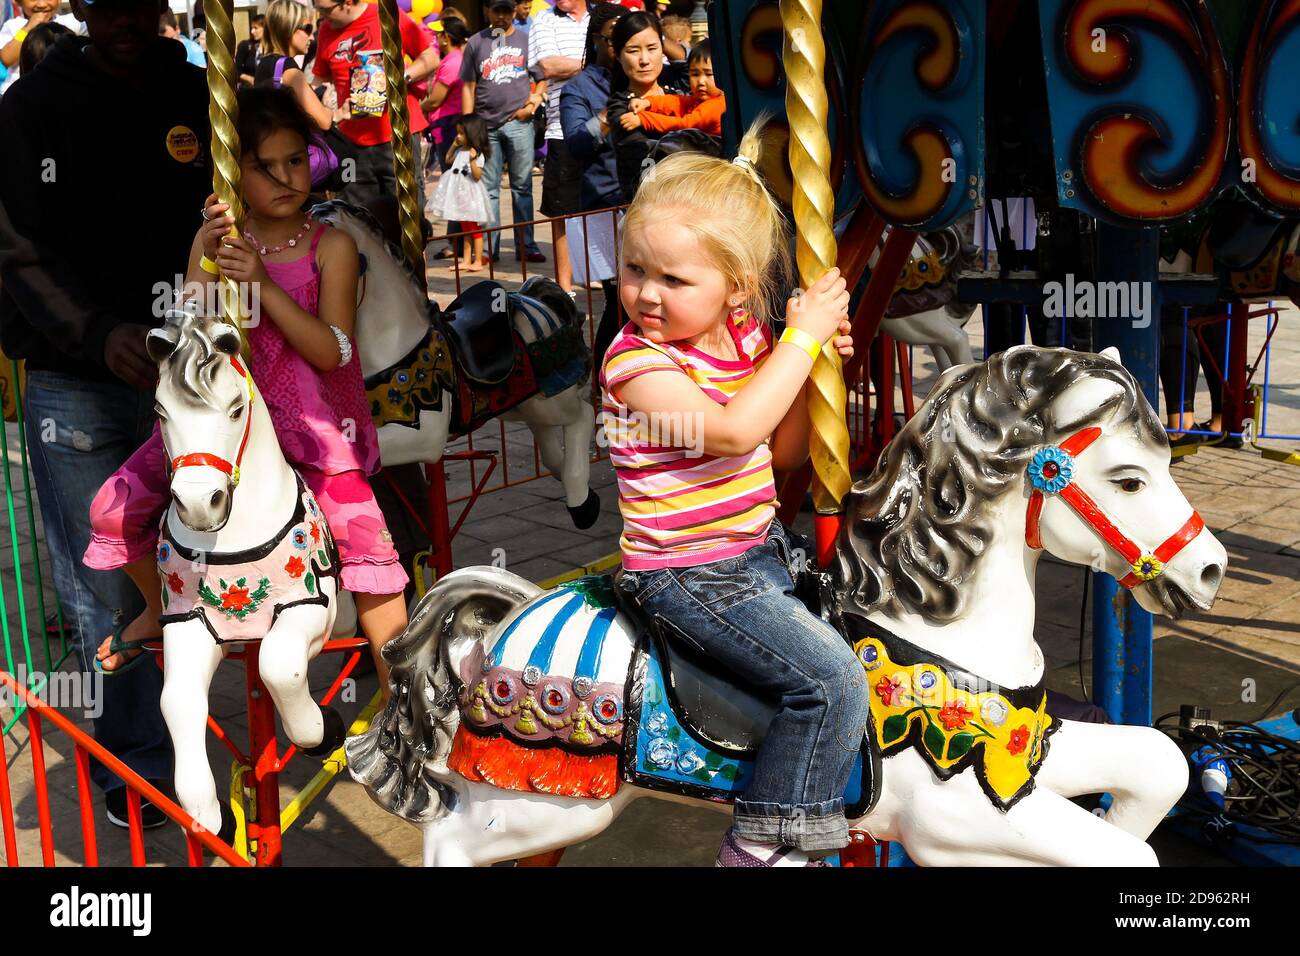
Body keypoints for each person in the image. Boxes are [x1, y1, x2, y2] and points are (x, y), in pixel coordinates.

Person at [86, 85, 410, 710]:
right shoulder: (216, 244)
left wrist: (263, 284)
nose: (287, 178)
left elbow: (331, 349)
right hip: (219, 427)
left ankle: (401, 679)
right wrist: (205, 258)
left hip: (313, 424)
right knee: (111, 507)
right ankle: (160, 609)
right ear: (235, 173)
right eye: (266, 167)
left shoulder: (330, 246)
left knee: (366, 534)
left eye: (296, 161)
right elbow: (189, 334)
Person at [602, 122, 865, 866]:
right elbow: (731, 433)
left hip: (757, 554)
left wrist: (814, 372)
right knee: (831, 680)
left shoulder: (742, 336)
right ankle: (766, 843)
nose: (646, 295)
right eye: (634, 270)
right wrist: (799, 346)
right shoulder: (635, 363)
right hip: (684, 573)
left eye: (674, 280)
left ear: (738, 289)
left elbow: (781, 452)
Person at [0, 0, 212, 829]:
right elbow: (17, 253)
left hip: (191, 372)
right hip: (73, 380)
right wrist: (95, 332)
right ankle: (139, 765)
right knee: (103, 586)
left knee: (216, 558)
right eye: (103, 2)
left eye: (139, 0)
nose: (124, 16)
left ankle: (236, 716)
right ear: (81, 9)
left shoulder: (195, 93)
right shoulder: (29, 110)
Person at [312, 0, 439, 206]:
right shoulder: (326, 30)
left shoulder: (386, 14)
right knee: (357, 217)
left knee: (407, 211)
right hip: (351, 144)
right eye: (317, 9)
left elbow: (430, 59)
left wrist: (398, 80)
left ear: (347, 3)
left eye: (325, 10)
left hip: (396, 134)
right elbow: (320, 80)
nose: (321, 16)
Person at [560, 1, 626, 362]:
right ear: (597, 40)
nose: (624, 48)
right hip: (606, 203)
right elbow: (576, 143)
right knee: (619, 302)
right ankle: (602, 378)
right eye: (615, 40)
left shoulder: (644, 75)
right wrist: (607, 116)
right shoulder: (579, 88)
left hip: (650, 199)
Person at [461, 0, 546, 262]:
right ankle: (488, 249)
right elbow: (468, 87)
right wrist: (468, 127)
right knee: (489, 189)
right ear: (487, 11)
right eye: (496, 10)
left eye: (506, 10)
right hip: (486, 125)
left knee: (522, 187)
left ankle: (527, 245)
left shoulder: (525, 40)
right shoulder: (476, 42)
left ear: (513, 11)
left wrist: (532, 104)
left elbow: (541, 80)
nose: (501, 16)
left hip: (519, 123)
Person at [528, 0, 590, 293]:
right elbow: (548, 65)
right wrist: (593, 66)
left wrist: (574, 66)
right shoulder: (544, 19)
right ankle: (565, 287)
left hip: (603, 124)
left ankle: (596, 274)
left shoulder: (600, 15)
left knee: (602, 206)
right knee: (562, 211)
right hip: (561, 128)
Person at [605, 10, 685, 203]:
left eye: (652, 48)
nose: (644, 60)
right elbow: (646, 161)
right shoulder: (621, 109)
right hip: (649, 208)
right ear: (617, 55)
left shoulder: (678, 95)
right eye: (633, 51)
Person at [426, 113, 491, 272]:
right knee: (465, 230)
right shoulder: (461, 150)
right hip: (459, 194)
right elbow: (448, 160)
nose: (458, 136)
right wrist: (454, 145)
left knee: (475, 230)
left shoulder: (476, 154)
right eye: (458, 133)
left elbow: (477, 177)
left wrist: (472, 160)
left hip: (470, 195)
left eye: (462, 133)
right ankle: (466, 260)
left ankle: (478, 259)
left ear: (472, 133)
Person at [256, 0, 332, 132]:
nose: (311, 38)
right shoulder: (289, 68)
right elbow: (324, 122)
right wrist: (328, 106)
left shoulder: (265, 62)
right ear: (288, 28)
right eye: (307, 29)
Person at [623, 38, 722, 137]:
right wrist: (648, 103)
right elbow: (676, 102)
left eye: (709, 74)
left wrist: (643, 119)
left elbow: (686, 125)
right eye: (695, 74)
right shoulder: (700, 100)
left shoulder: (718, 104)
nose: (701, 81)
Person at [0, 0, 84, 95]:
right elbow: (6, 58)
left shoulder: (69, 22)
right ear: (18, 2)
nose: (41, 4)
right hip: (20, 94)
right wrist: (28, 27)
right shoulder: (14, 26)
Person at [421, 14, 468, 171]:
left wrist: (418, 107)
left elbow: (435, 100)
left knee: (451, 176)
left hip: (448, 126)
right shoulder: (452, 59)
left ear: (446, 37)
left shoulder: (452, 62)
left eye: (438, 34)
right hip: (447, 125)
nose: (435, 38)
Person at [235, 13, 264, 87]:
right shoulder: (245, 45)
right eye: (252, 28)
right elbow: (236, 70)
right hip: (249, 90)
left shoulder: (273, 47)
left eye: (255, 28)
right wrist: (251, 79)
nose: (252, 31)